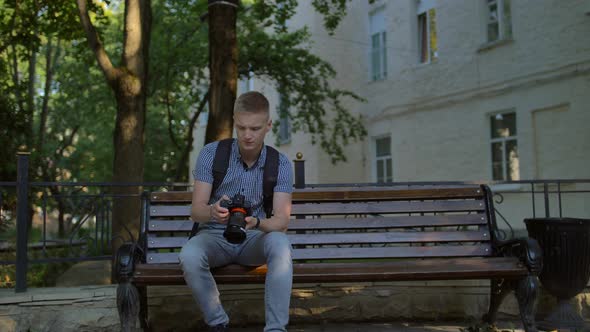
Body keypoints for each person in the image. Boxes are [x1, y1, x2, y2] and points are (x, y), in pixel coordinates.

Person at [179, 91, 294, 332]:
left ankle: (275, 329)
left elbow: (282, 221)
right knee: (189, 255)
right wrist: (211, 212)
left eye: (255, 128)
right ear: (234, 122)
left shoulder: (280, 163)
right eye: (241, 127)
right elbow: (195, 211)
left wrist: (257, 222)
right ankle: (218, 323)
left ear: (268, 125)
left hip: (254, 239)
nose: (247, 135)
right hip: (213, 236)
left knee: (281, 245)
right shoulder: (211, 154)